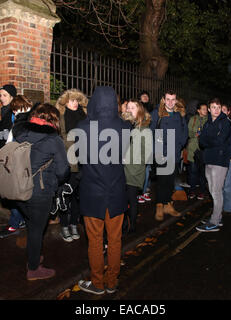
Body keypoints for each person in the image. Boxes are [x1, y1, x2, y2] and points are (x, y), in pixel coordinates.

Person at [77, 86, 130, 295]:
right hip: (116, 190)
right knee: (115, 240)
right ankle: (112, 281)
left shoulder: (83, 127)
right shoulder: (125, 128)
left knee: (96, 241)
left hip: (93, 191)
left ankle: (97, 283)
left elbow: (81, 158)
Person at [13, 104, 70, 280]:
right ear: (53, 120)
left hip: (19, 189)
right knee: (37, 229)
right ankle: (33, 269)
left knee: (32, 225)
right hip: (40, 192)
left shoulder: (20, 133)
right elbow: (63, 171)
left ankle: (34, 255)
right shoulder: (54, 140)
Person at [55, 89, 88, 242]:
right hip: (68, 159)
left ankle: (74, 223)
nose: (74, 103)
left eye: (76, 100)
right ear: (65, 101)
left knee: (78, 195)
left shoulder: (84, 115)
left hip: (83, 159)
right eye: (71, 100)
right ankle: (64, 225)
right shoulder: (60, 116)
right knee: (65, 194)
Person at [150, 90, 188, 221]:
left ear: (176, 100)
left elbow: (184, 132)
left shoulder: (180, 115)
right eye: (168, 99)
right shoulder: (157, 114)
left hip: (174, 152)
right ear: (163, 100)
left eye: (173, 99)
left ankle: (168, 204)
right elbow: (150, 132)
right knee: (162, 181)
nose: (170, 102)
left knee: (170, 180)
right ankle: (160, 206)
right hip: (161, 152)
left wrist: (179, 145)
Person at [0, 84, 27, 238]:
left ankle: (15, 223)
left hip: (11, 159)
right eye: (0, 95)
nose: (1, 99)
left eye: (4, 95)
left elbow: (12, 139)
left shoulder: (14, 114)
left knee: (12, 192)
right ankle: (19, 220)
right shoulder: (5, 113)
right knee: (10, 193)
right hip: (4, 157)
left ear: (13, 97)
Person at [196, 98, 231, 232]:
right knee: (212, 189)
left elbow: (220, 140)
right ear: (209, 109)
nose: (216, 110)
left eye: (218, 107)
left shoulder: (225, 123)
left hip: (220, 160)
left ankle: (215, 221)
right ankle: (218, 216)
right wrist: (208, 139)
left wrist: (206, 139)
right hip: (209, 159)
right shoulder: (207, 123)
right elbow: (201, 142)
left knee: (216, 191)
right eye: (213, 107)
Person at [121, 99, 153, 233]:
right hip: (121, 170)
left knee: (131, 199)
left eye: (133, 108)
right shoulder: (123, 126)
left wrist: (129, 159)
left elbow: (147, 155)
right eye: (128, 107)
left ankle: (132, 226)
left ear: (139, 111)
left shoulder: (144, 130)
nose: (129, 110)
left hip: (134, 170)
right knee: (122, 200)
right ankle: (122, 225)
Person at [186, 103, 209, 200]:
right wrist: (194, 134)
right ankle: (192, 191)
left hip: (204, 150)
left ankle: (202, 192)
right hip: (193, 149)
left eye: (206, 109)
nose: (205, 110)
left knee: (203, 173)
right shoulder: (193, 119)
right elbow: (188, 132)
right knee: (193, 172)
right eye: (203, 109)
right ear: (198, 110)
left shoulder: (209, 120)